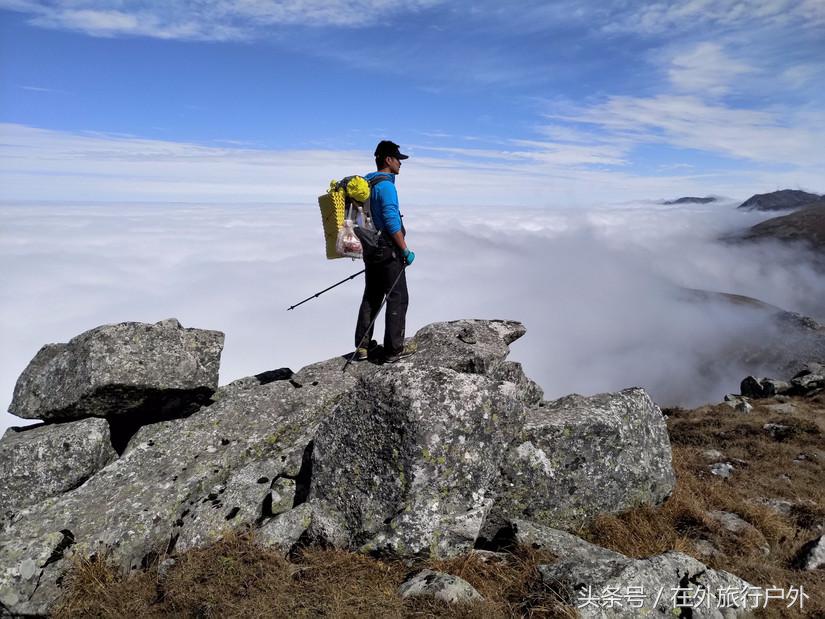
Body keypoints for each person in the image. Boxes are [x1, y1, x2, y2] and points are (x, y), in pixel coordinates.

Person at [354, 140, 416, 362]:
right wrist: (405, 249)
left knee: (372, 295)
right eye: (398, 158)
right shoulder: (387, 186)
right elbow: (391, 220)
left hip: (370, 248)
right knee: (398, 297)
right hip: (388, 250)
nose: (401, 163)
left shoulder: (367, 184)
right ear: (388, 160)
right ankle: (393, 350)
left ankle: (362, 347)